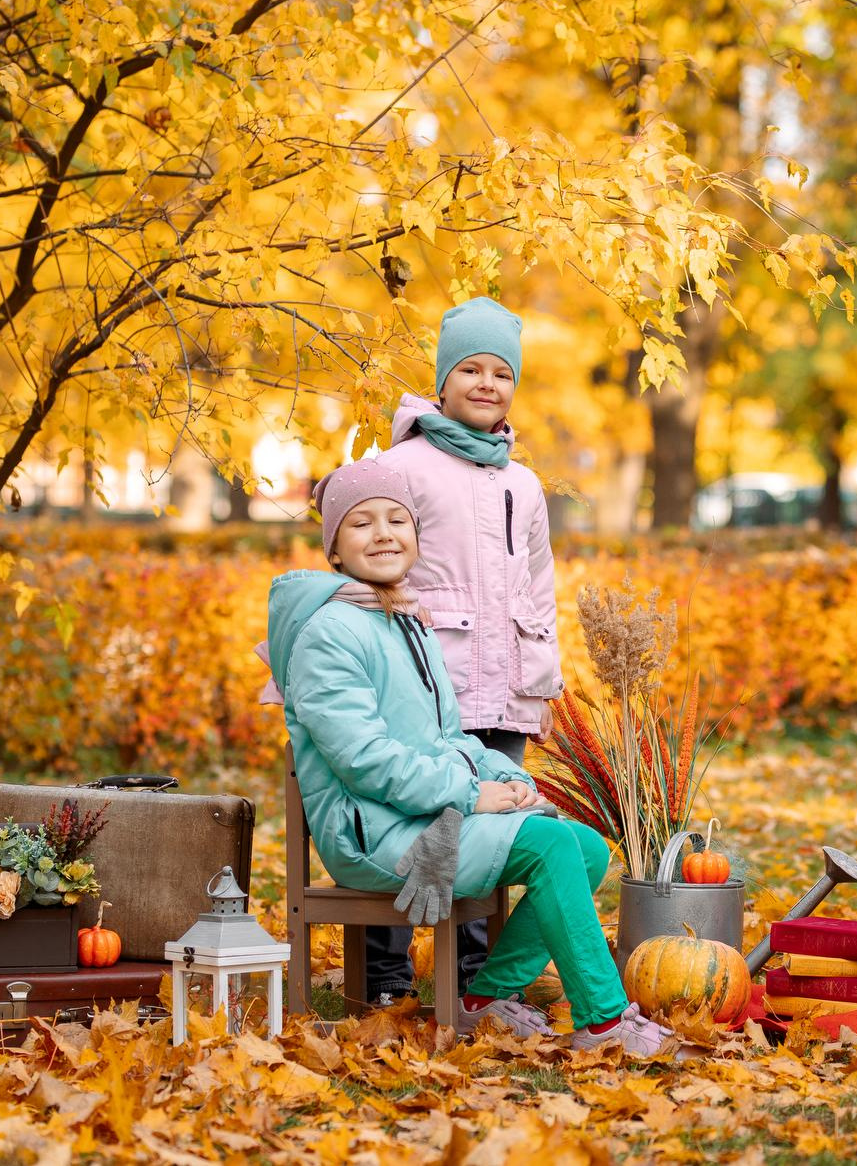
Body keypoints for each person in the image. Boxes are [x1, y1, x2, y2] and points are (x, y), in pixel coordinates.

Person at [266, 458, 674, 1056]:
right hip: (373, 834)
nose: (383, 534)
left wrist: (508, 778)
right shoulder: (329, 633)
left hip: (422, 813)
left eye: (397, 520)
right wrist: (469, 794)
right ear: (333, 547)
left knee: (586, 847)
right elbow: (365, 760)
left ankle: (485, 1000)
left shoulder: (404, 621)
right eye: (361, 523)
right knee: (550, 847)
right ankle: (605, 1021)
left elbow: (450, 738)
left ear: (416, 535)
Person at [359, 296, 565, 1006]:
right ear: (442, 380)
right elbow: (369, 560)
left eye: (502, 373)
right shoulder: (402, 467)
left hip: (504, 687)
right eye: (471, 369)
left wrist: (541, 682)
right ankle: (383, 973)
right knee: (413, 822)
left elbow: (538, 586)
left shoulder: (523, 483)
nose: (487, 384)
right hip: (427, 684)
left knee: (494, 826)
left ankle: (474, 973)